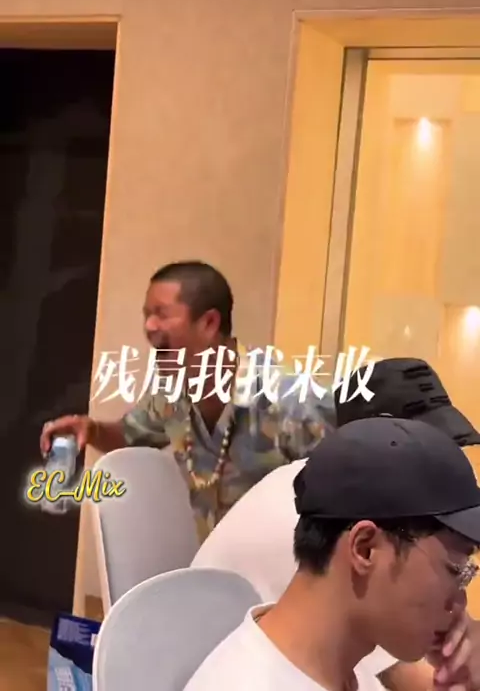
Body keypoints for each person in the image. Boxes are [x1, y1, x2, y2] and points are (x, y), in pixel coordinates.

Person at [192, 358, 480, 691]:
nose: (461, 603)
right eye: (455, 570)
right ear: (365, 548)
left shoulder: (341, 661)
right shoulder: (310, 518)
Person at [40, 260, 337, 540]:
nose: (149, 327)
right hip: (211, 566)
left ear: (209, 323)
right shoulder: (170, 393)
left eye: (162, 313)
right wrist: (92, 430)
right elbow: (130, 435)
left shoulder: (292, 401)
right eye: (146, 315)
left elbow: (343, 503)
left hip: (282, 570)